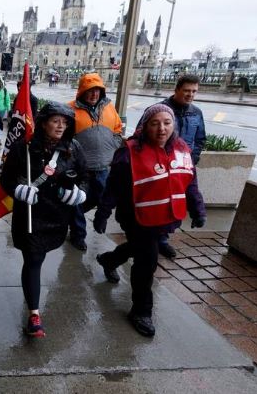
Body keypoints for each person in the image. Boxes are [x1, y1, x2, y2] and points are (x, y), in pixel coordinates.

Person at [93, 104, 206, 337]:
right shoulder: (129, 153)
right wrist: (102, 214)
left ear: (173, 125)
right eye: (155, 123)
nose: (162, 128)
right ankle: (141, 311)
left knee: (140, 248)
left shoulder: (182, 148)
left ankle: (109, 260)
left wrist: (198, 210)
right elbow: (113, 188)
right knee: (147, 262)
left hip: (164, 217)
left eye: (167, 123)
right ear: (145, 126)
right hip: (136, 218)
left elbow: (190, 182)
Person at [0, 102, 88, 337]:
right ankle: (34, 315)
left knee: (39, 257)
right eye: (55, 121)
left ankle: (33, 305)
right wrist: (18, 190)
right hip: (31, 216)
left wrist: (80, 192)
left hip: (57, 216)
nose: (60, 126)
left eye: (65, 122)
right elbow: (6, 179)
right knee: (33, 260)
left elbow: (85, 177)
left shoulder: (74, 148)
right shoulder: (24, 148)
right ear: (43, 122)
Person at [67, 73, 123, 251]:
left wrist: (113, 145)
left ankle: (88, 218)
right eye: (90, 90)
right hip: (81, 169)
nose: (94, 94)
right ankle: (78, 234)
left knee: (101, 198)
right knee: (77, 202)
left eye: (97, 90)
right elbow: (64, 137)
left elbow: (118, 129)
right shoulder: (70, 109)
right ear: (82, 91)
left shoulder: (109, 107)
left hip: (104, 167)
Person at [156, 74, 207, 258]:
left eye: (194, 91)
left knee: (178, 201)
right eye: (186, 90)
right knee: (162, 203)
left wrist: (193, 158)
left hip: (184, 165)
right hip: (162, 166)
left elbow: (200, 139)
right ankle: (158, 239)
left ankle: (163, 237)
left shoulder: (196, 112)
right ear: (176, 89)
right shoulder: (161, 110)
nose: (190, 95)